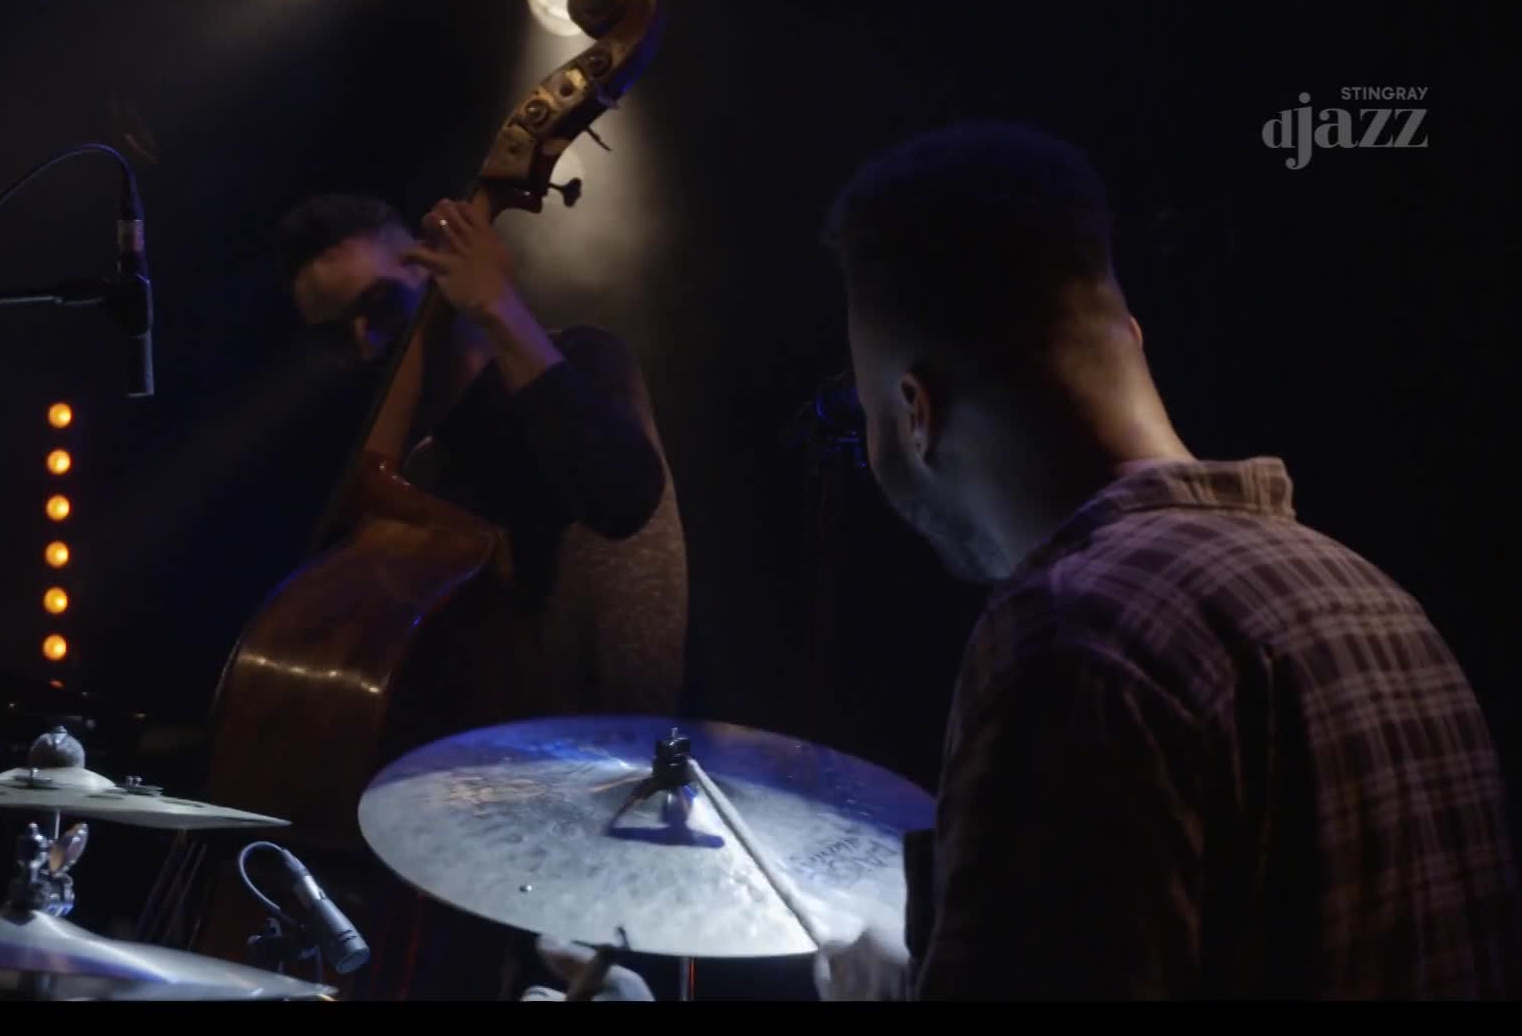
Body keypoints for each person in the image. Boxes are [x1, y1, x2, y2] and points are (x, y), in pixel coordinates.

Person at [527, 121, 1519, 1001]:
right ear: (1126, 337)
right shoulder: (1373, 599)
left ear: (916, 414)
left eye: (872, 413)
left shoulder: (1075, 638)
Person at [269, 191, 691, 998]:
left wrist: (496, 306)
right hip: (458, 836)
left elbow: (622, 493)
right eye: (336, 334)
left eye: (381, 307)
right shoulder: (413, 477)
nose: (365, 345)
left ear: (433, 277)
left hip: (595, 809)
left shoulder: (577, 362)